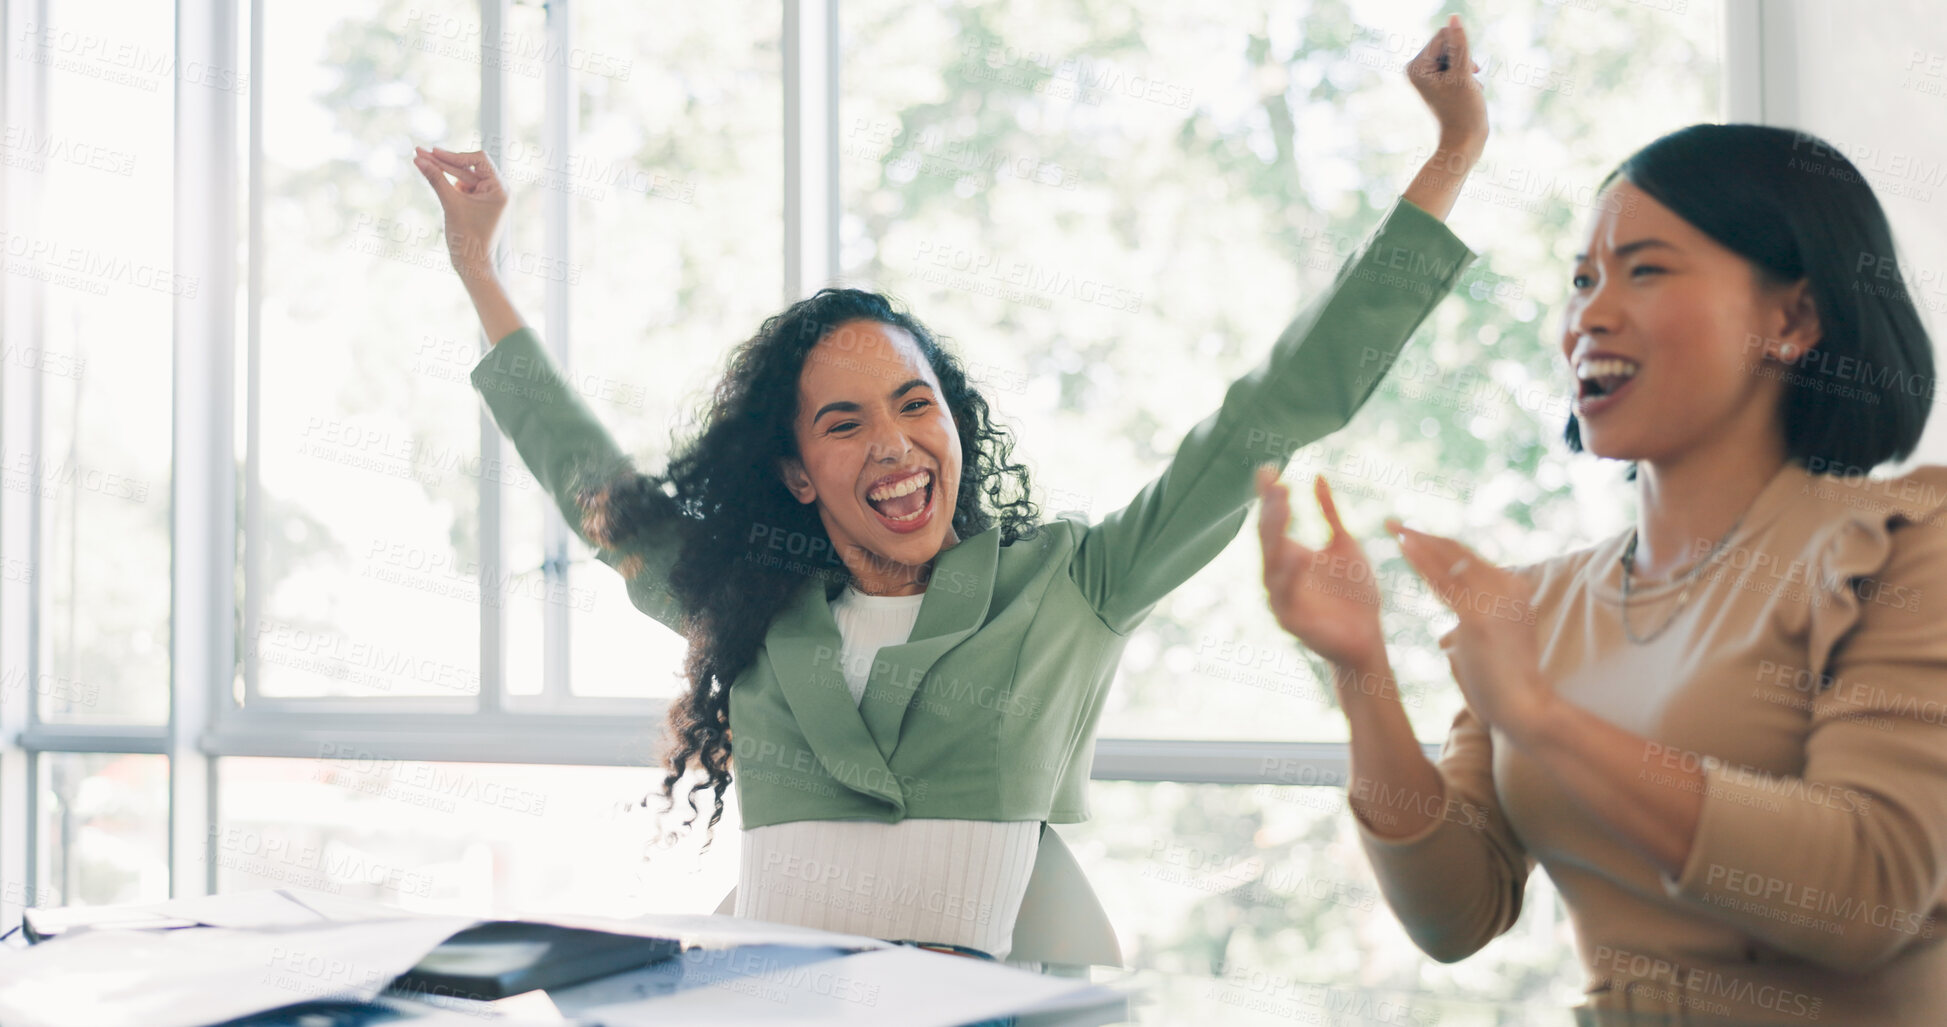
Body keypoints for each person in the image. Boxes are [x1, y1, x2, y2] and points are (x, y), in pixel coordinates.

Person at [414, 16, 1486, 961]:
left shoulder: (1071, 585)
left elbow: (1272, 407)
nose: (894, 445)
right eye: (845, 422)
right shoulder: (747, 603)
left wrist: (1452, 154)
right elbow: (590, 482)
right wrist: (479, 267)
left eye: (915, 405)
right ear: (793, 471)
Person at [1255, 122, 1946, 1023]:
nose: (1589, 314)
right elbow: (1457, 913)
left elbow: (1867, 892)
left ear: (1793, 320)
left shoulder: (1901, 542)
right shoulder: (1536, 603)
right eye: (1580, 279)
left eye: (1644, 269)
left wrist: (1543, 718)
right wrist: (1361, 671)